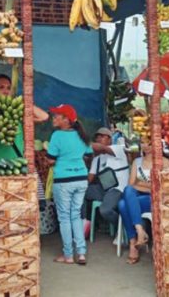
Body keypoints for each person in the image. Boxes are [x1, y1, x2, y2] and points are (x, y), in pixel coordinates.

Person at [47, 104, 110, 266]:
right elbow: (89, 155)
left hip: (63, 181)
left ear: (66, 120)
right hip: (81, 180)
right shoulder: (82, 136)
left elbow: (50, 160)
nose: (54, 118)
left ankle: (68, 255)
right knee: (76, 215)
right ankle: (81, 253)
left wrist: (62, 160)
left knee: (64, 218)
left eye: (57, 116)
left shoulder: (57, 136)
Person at [0, 74, 49, 175]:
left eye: (8, 88)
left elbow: (43, 117)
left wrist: (25, 102)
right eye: (0, 87)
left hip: (17, 171)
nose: (6, 91)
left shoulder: (15, 113)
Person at [118, 139, 169, 264]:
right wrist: (150, 185)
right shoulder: (137, 161)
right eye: (143, 142)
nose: (146, 146)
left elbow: (162, 187)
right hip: (136, 198)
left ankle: (134, 241)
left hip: (154, 200)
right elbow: (131, 184)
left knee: (123, 204)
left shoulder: (164, 162)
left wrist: (141, 184)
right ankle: (139, 232)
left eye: (150, 143)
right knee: (127, 193)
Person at [84, 127, 129, 225]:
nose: (99, 139)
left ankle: (123, 227)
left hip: (117, 189)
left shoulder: (118, 149)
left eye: (102, 136)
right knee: (79, 191)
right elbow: (89, 179)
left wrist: (80, 144)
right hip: (103, 190)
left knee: (105, 210)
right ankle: (84, 222)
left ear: (110, 139)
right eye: (97, 137)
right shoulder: (97, 159)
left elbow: (101, 148)